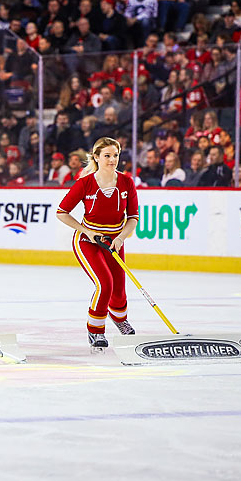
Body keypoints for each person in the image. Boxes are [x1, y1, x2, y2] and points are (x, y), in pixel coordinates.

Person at [56, 137, 139, 352]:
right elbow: (61, 212)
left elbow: (133, 217)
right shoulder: (85, 183)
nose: (112, 160)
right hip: (89, 241)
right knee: (105, 283)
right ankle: (96, 330)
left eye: (116, 155)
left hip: (115, 242)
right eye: (107, 156)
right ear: (96, 157)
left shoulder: (126, 182)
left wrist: (121, 238)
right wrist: (87, 231)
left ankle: (120, 320)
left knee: (119, 290)